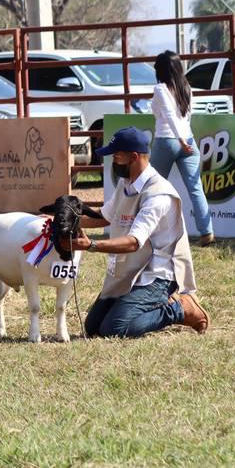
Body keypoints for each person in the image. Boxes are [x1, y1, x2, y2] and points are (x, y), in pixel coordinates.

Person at [69, 127, 207, 338]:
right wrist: (66, 222)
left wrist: (92, 245)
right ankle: (146, 306)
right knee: (93, 327)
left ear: (134, 157)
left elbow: (134, 243)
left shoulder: (158, 195)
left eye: (116, 156)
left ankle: (179, 309)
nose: (113, 162)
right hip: (132, 270)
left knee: (113, 330)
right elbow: (106, 216)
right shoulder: (127, 182)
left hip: (157, 276)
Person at [150, 50, 214, 246]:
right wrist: (185, 139)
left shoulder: (160, 88)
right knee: (196, 189)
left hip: (168, 140)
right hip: (188, 139)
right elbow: (187, 116)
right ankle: (207, 232)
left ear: (161, 70)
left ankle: (150, 231)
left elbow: (168, 116)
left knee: (151, 186)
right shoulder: (187, 87)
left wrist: (179, 139)